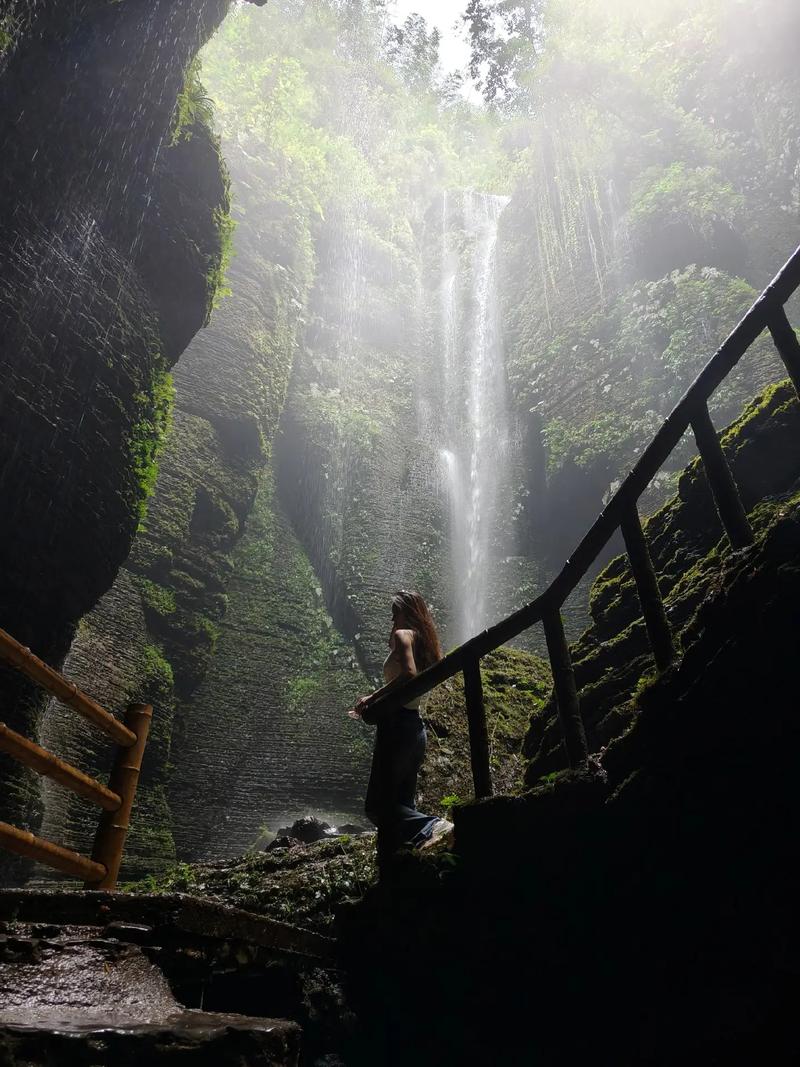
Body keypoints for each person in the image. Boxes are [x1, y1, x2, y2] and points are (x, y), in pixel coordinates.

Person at [348, 589, 450, 876]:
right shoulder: (424, 641)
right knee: (401, 803)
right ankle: (400, 867)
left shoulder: (405, 634)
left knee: (378, 807)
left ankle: (433, 826)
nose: (392, 619)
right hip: (414, 728)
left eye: (395, 612)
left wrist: (372, 699)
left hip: (397, 728)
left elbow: (408, 674)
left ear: (408, 612)